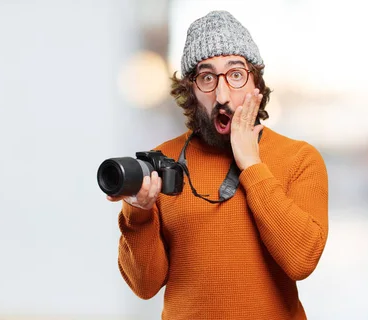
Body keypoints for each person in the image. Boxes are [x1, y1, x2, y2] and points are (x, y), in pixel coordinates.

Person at [107, 10, 329, 319]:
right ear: (191, 89)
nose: (222, 94)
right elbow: (144, 286)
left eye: (235, 75)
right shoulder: (163, 161)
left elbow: (302, 260)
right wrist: (138, 212)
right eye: (207, 77)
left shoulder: (299, 158)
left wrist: (251, 163)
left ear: (256, 83)